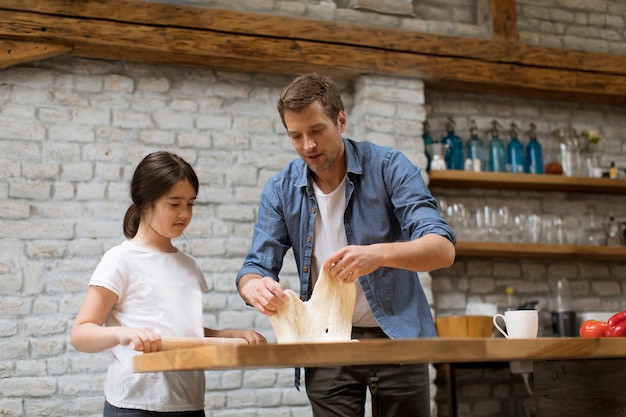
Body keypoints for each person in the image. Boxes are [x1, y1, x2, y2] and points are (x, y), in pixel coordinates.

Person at [235, 73, 456, 417]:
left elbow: (442, 249)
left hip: (398, 336)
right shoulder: (280, 190)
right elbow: (254, 269)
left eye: (317, 130)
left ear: (341, 120)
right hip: (326, 340)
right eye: (296, 136)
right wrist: (255, 289)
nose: (307, 145)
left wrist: (377, 253)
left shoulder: (388, 167)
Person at [71, 151, 266, 417]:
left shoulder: (189, 265)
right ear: (145, 203)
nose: (184, 214)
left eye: (190, 204)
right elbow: (81, 333)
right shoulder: (120, 260)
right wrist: (124, 333)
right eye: (174, 204)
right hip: (135, 406)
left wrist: (227, 335)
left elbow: (182, 332)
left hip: (189, 404)